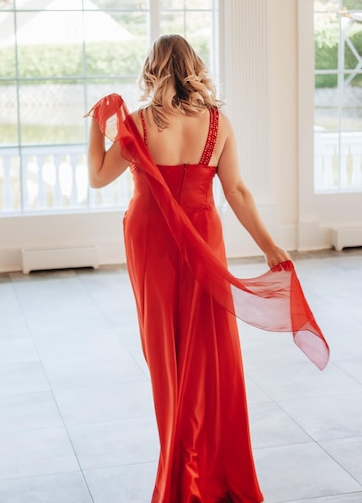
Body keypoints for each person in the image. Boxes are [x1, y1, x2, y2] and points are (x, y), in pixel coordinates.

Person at [86, 34, 329, 503]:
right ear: (194, 67)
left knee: (165, 351)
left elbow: (98, 177)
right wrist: (270, 247)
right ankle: (207, 468)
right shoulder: (218, 123)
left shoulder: (136, 123)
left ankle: (181, 471)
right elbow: (236, 192)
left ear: (153, 70)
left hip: (150, 238)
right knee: (208, 349)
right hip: (202, 232)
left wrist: (99, 123)